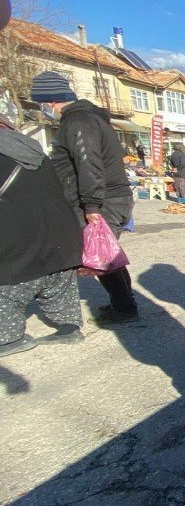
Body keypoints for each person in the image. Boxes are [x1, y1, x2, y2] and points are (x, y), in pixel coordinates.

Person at [33, 70, 138, 324]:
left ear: (51, 100)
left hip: (103, 200)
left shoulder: (79, 121)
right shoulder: (87, 119)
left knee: (102, 256)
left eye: (40, 103)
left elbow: (88, 163)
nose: (42, 108)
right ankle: (124, 304)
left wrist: (91, 205)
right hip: (108, 197)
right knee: (106, 254)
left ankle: (124, 308)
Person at [0, 117, 84, 357]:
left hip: (15, 241)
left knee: (7, 290)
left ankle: (8, 338)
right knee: (58, 284)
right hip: (61, 235)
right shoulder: (34, 150)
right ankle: (68, 327)